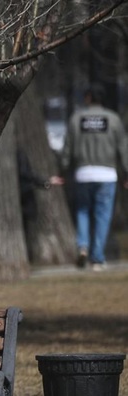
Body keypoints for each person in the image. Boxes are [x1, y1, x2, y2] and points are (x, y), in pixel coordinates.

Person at [52, 84, 128, 271]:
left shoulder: (76, 119)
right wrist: (126, 172)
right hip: (107, 173)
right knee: (102, 215)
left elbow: (67, 149)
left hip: (83, 173)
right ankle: (97, 258)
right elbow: (123, 149)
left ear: (87, 98)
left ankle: (83, 246)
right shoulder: (114, 119)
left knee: (83, 212)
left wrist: (62, 171)